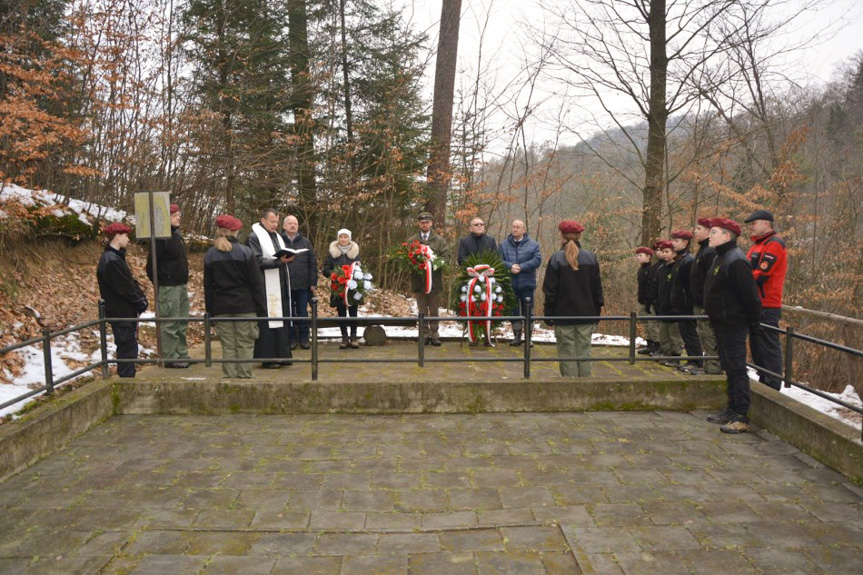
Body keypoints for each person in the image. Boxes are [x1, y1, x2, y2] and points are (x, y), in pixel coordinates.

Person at [704, 218, 762, 434]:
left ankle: (741, 416)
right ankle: (731, 409)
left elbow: (751, 297)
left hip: (733, 323)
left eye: (714, 232)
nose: (710, 235)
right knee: (729, 366)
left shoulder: (735, 260)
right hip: (721, 322)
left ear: (727, 236)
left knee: (737, 369)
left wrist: (755, 324)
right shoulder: (721, 257)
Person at [203, 215, 267, 378]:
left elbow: (208, 287)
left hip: (221, 307)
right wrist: (261, 308)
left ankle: (229, 380)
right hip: (245, 306)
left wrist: (210, 311)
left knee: (228, 346)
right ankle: (244, 378)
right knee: (245, 344)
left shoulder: (210, 254)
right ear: (236, 231)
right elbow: (256, 284)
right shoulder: (246, 252)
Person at [542, 220, 604, 377]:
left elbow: (550, 291)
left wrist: (548, 313)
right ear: (579, 236)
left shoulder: (556, 259)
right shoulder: (590, 258)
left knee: (567, 353)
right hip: (586, 313)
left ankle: (570, 387)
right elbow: (597, 288)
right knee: (584, 352)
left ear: (561, 236)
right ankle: (585, 388)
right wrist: (596, 312)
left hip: (563, 314)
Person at [97, 223, 148, 378]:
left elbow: (129, 282)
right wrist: (139, 301)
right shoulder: (111, 260)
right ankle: (126, 381)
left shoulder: (116, 257)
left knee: (129, 347)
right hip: (120, 312)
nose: (128, 240)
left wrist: (141, 297)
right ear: (117, 236)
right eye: (125, 236)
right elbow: (123, 287)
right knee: (126, 347)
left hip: (124, 311)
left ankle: (128, 379)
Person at [744, 209, 788, 390]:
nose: (751, 228)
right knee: (756, 344)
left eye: (753, 224)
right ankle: (764, 379)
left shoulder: (774, 243)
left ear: (765, 223)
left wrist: (742, 278)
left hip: (768, 303)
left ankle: (772, 384)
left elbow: (762, 274)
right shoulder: (757, 245)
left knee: (768, 345)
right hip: (755, 302)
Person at [247, 209, 294, 368]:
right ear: (263, 220)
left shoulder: (277, 236)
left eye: (277, 222)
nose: (275, 225)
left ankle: (283, 354)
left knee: (282, 319)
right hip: (265, 285)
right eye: (272, 221)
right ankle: (268, 357)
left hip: (280, 283)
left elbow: (279, 258)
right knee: (269, 321)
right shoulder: (254, 237)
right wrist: (279, 262)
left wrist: (288, 258)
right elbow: (256, 261)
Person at [145, 203, 191, 368]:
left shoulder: (176, 236)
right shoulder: (160, 238)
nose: (179, 217)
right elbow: (151, 266)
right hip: (168, 287)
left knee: (181, 321)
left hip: (180, 285)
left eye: (178, 214)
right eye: (174, 215)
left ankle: (181, 353)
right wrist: (164, 282)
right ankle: (171, 357)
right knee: (170, 322)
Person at [406, 212, 449, 346]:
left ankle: (435, 334)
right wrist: (416, 264)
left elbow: (446, 257)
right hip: (418, 280)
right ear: (418, 224)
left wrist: (436, 263)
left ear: (431, 223)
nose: (425, 224)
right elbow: (407, 258)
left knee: (434, 308)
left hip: (434, 280)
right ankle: (424, 334)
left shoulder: (439, 240)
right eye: (422, 222)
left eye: (427, 222)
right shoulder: (412, 240)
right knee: (422, 308)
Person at [499, 219, 542, 346]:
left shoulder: (533, 245)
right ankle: (517, 336)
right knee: (513, 311)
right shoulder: (503, 245)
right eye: (513, 227)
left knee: (528, 311)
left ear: (524, 229)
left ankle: (528, 337)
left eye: (518, 227)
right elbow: (499, 260)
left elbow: (537, 260)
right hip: (510, 283)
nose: (515, 229)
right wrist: (510, 266)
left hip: (527, 284)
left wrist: (521, 267)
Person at [689, 218, 722, 375]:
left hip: (706, 303)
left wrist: (708, 302)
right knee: (703, 335)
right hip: (699, 302)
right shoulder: (702, 250)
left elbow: (711, 280)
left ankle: (714, 367)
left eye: (699, 228)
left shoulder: (710, 252)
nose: (695, 231)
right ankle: (709, 366)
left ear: (708, 231)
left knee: (709, 336)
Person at [281, 215, 317, 350]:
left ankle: (304, 338)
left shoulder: (306, 242)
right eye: (290, 223)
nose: (293, 225)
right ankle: (290, 339)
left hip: (303, 284)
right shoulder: (279, 241)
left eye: (295, 223)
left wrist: (313, 282)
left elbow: (312, 263)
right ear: (284, 226)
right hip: (286, 284)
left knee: (303, 312)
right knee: (288, 313)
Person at [669, 229, 703, 371]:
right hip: (679, 303)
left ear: (685, 242)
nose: (673, 244)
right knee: (685, 333)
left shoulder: (688, 260)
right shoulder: (680, 259)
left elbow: (691, 284)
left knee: (690, 333)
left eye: (676, 241)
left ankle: (696, 361)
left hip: (686, 304)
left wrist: (686, 301)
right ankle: (692, 359)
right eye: (673, 240)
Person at [322, 229, 361, 349]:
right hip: (338, 286)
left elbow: (360, 269)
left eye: (346, 237)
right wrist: (335, 274)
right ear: (338, 239)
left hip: (352, 287)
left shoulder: (355, 253)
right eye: (341, 237)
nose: (343, 239)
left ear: (349, 239)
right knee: (341, 312)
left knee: (353, 312)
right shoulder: (332, 254)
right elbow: (325, 270)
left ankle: (354, 337)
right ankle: (344, 338)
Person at [654, 240, 684, 364]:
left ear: (674, 253)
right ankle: (666, 353)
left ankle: (675, 356)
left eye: (667, 251)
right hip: (663, 306)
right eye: (663, 251)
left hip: (674, 307)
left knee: (674, 334)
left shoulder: (677, 267)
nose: (664, 254)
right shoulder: (662, 268)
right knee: (663, 333)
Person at [634, 246, 659, 354]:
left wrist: (651, 301)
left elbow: (652, 287)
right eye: (637, 255)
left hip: (650, 302)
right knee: (644, 323)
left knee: (652, 325)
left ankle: (657, 346)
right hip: (642, 300)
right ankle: (649, 344)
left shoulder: (652, 269)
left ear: (648, 256)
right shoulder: (641, 270)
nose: (638, 257)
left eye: (640, 255)